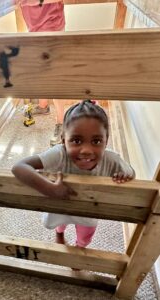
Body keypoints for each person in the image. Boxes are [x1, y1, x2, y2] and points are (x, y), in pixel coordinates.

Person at [12, 100, 135, 249]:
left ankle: (79, 249)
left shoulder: (111, 159)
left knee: (85, 237)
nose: (86, 150)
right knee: (60, 223)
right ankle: (59, 234)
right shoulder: (59, 154)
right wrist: (50, 189)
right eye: (76, 140)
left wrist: (123, 175)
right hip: (61, 205)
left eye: (96, 141)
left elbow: (131, 173)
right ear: (64, 141)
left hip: (88, 213)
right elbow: (19, 167)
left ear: (106, 141)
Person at [18, 0, 66, 146]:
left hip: (52, 27)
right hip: (35, 28)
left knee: (54, 78)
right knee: (40, 72)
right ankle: (43, 106)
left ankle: (61, 123)